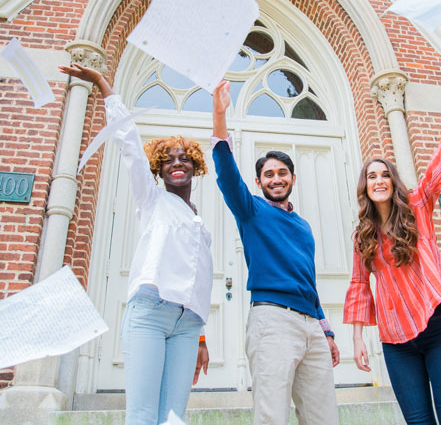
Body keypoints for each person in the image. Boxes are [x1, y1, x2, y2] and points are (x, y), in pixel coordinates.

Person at [59, 63, 212, 425]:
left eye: (185, 158)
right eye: (168, 160)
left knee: (174, 416)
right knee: (142, 415)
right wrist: (102, 84)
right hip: (149, 314)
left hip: (188, 324)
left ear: (196, 167)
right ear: (157, 170)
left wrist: (202, 338)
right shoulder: (152, 200)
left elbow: (196, 280)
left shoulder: (199, 221)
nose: (177, 163)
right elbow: (127, 140)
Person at [344, 65, 441, 425]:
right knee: (418, 422)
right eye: (371, 176)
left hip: (438, 327)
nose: (378, 180)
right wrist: (358, 338)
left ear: (393, 182)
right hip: (396, 342)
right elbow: (360, 286)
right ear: (364, 187)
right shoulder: (362, 235)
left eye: (384, 175)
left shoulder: (418, 208)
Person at [211, 80, 340, 425]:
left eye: (282, 173)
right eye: (269, 174)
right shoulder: (251, 210)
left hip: (311, 325)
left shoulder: (304, 227)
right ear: (259, 182)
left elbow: (309, 284)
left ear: (293, 179)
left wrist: (326, 331)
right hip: (272, 321)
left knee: (323, 416)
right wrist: (220, 115)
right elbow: (226, 174)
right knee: (272, 416)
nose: (276, 178)